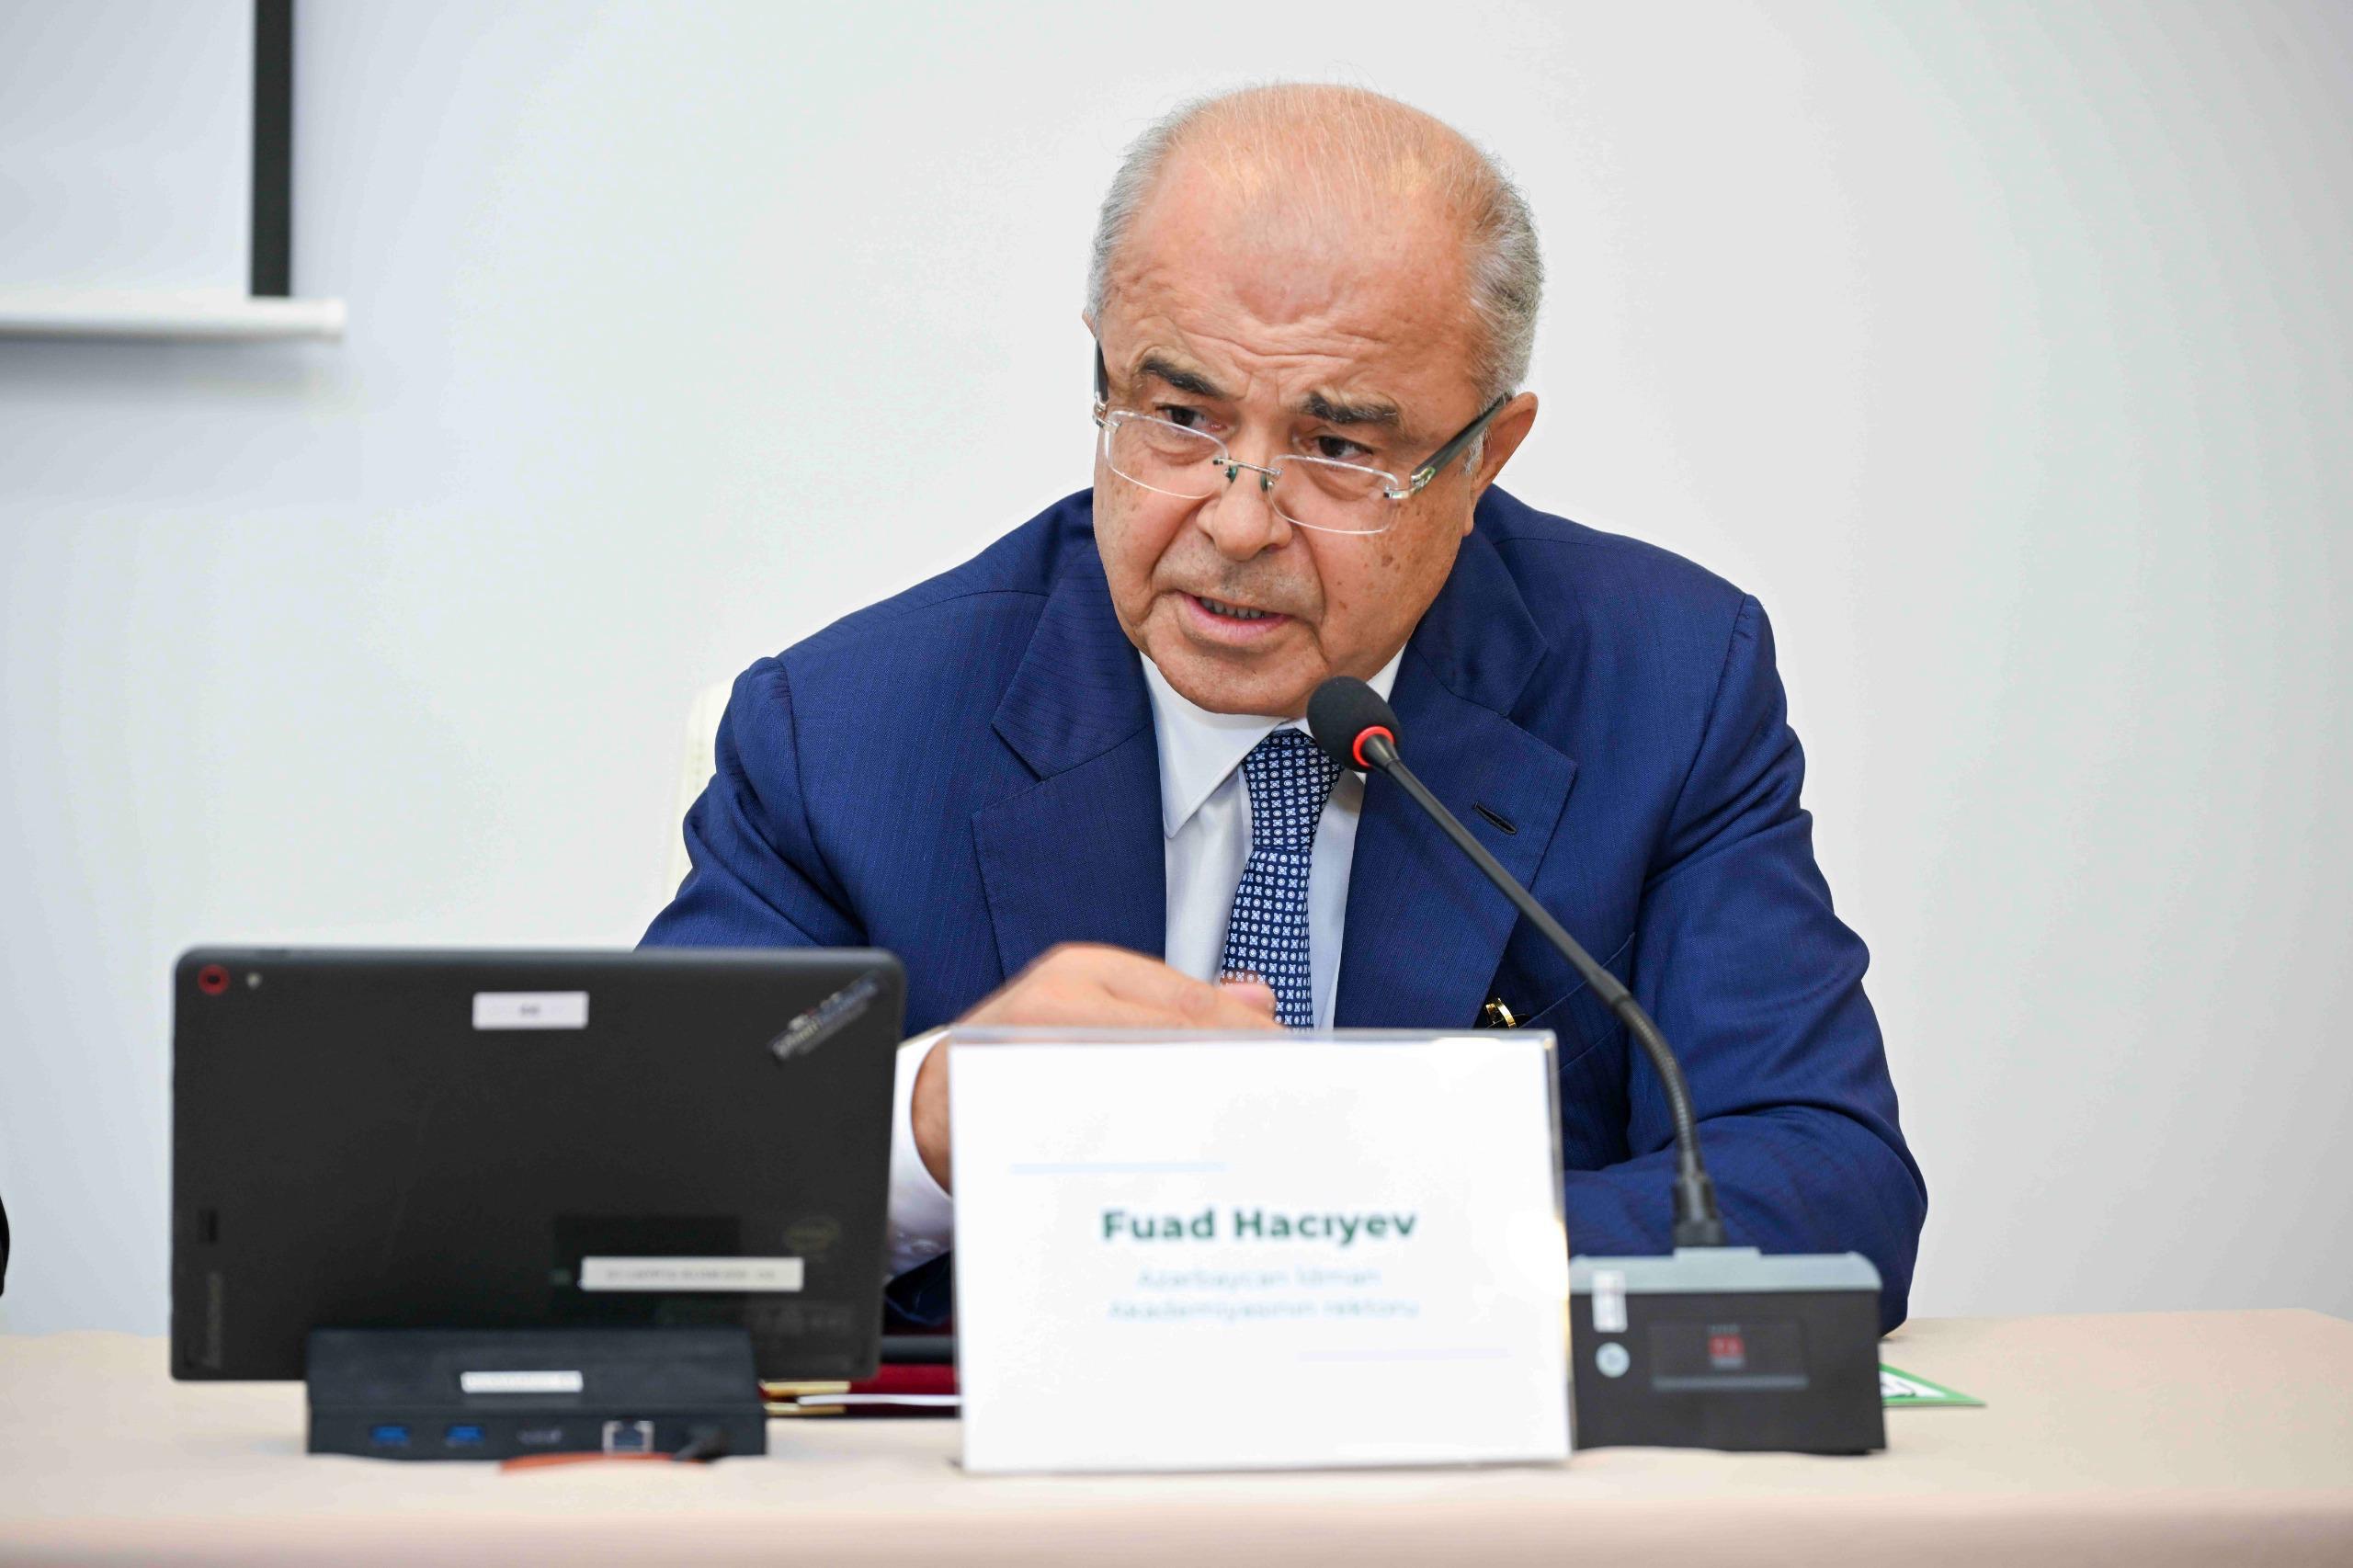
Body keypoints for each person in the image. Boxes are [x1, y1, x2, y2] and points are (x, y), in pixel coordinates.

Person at [644, 84, 1926, 1330]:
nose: (1239, 521)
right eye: (1179, 416)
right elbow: (633, 1208)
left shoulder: (1662, 686)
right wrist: (925, 1126)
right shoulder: (848, 733)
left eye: (1341, 448)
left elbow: (1825, 1183)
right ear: (1105, 376)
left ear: (1485, 457)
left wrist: (1322, 1242)